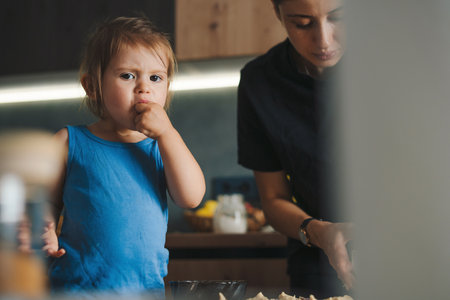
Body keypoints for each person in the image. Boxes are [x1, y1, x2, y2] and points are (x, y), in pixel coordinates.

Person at [41, 16, 206, 298]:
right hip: (75, 289)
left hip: (144, 291)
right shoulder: (69, 142)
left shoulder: (163, 146)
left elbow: (191, 198)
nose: (144, 88)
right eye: (128, 75)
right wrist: (44, 230)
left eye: (156, 78)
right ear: (92, 86)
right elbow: (44, 201)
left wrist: (167, 134)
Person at [237, 0, 354, 298]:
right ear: (278, 14)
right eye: (302, 23)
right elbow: (274, 198)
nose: (323, 40)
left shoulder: (403, 63)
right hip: (317, 257)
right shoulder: (260, 82)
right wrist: (319, 233)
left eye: (338, 18)